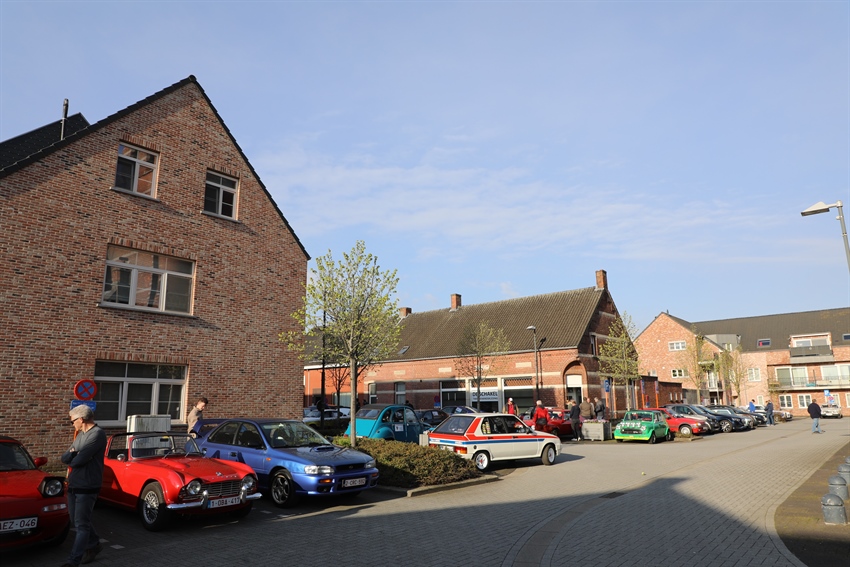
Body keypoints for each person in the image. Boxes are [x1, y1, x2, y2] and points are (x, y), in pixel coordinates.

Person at [61, 405, 107, 567]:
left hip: (88, 485)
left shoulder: (97, 434)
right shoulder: (81, 434)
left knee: (81, 525)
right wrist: (75, 454)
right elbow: (65, 458)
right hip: (74, 484)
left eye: (72, 421)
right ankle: (94, 543)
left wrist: (76, 455)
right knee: (77, 521)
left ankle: (73, 560)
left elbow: (78, 461)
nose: (72, 424)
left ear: (81, 419)